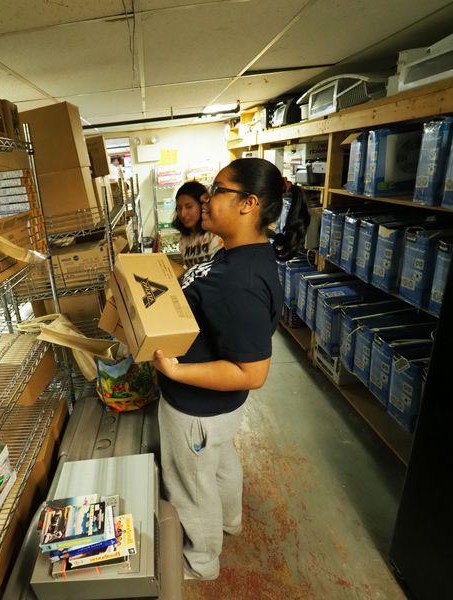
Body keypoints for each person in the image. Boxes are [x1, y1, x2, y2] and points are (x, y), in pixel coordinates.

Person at [151, 158, 310, 580]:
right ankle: (229, 522)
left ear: (249, 204)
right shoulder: (236, 253)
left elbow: (252, 373)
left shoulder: (242, 280)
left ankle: (200, 562)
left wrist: (175, 371)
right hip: (213, 412)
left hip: (196, 407)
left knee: (191, 486)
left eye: (219, 190)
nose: (207, 198)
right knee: (219, 465)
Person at [173, 181, 224, 267]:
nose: (183, 214)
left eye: (189, 207)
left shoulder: (216, 233)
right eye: (179, 208)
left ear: (202, 206)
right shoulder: (184, 237)